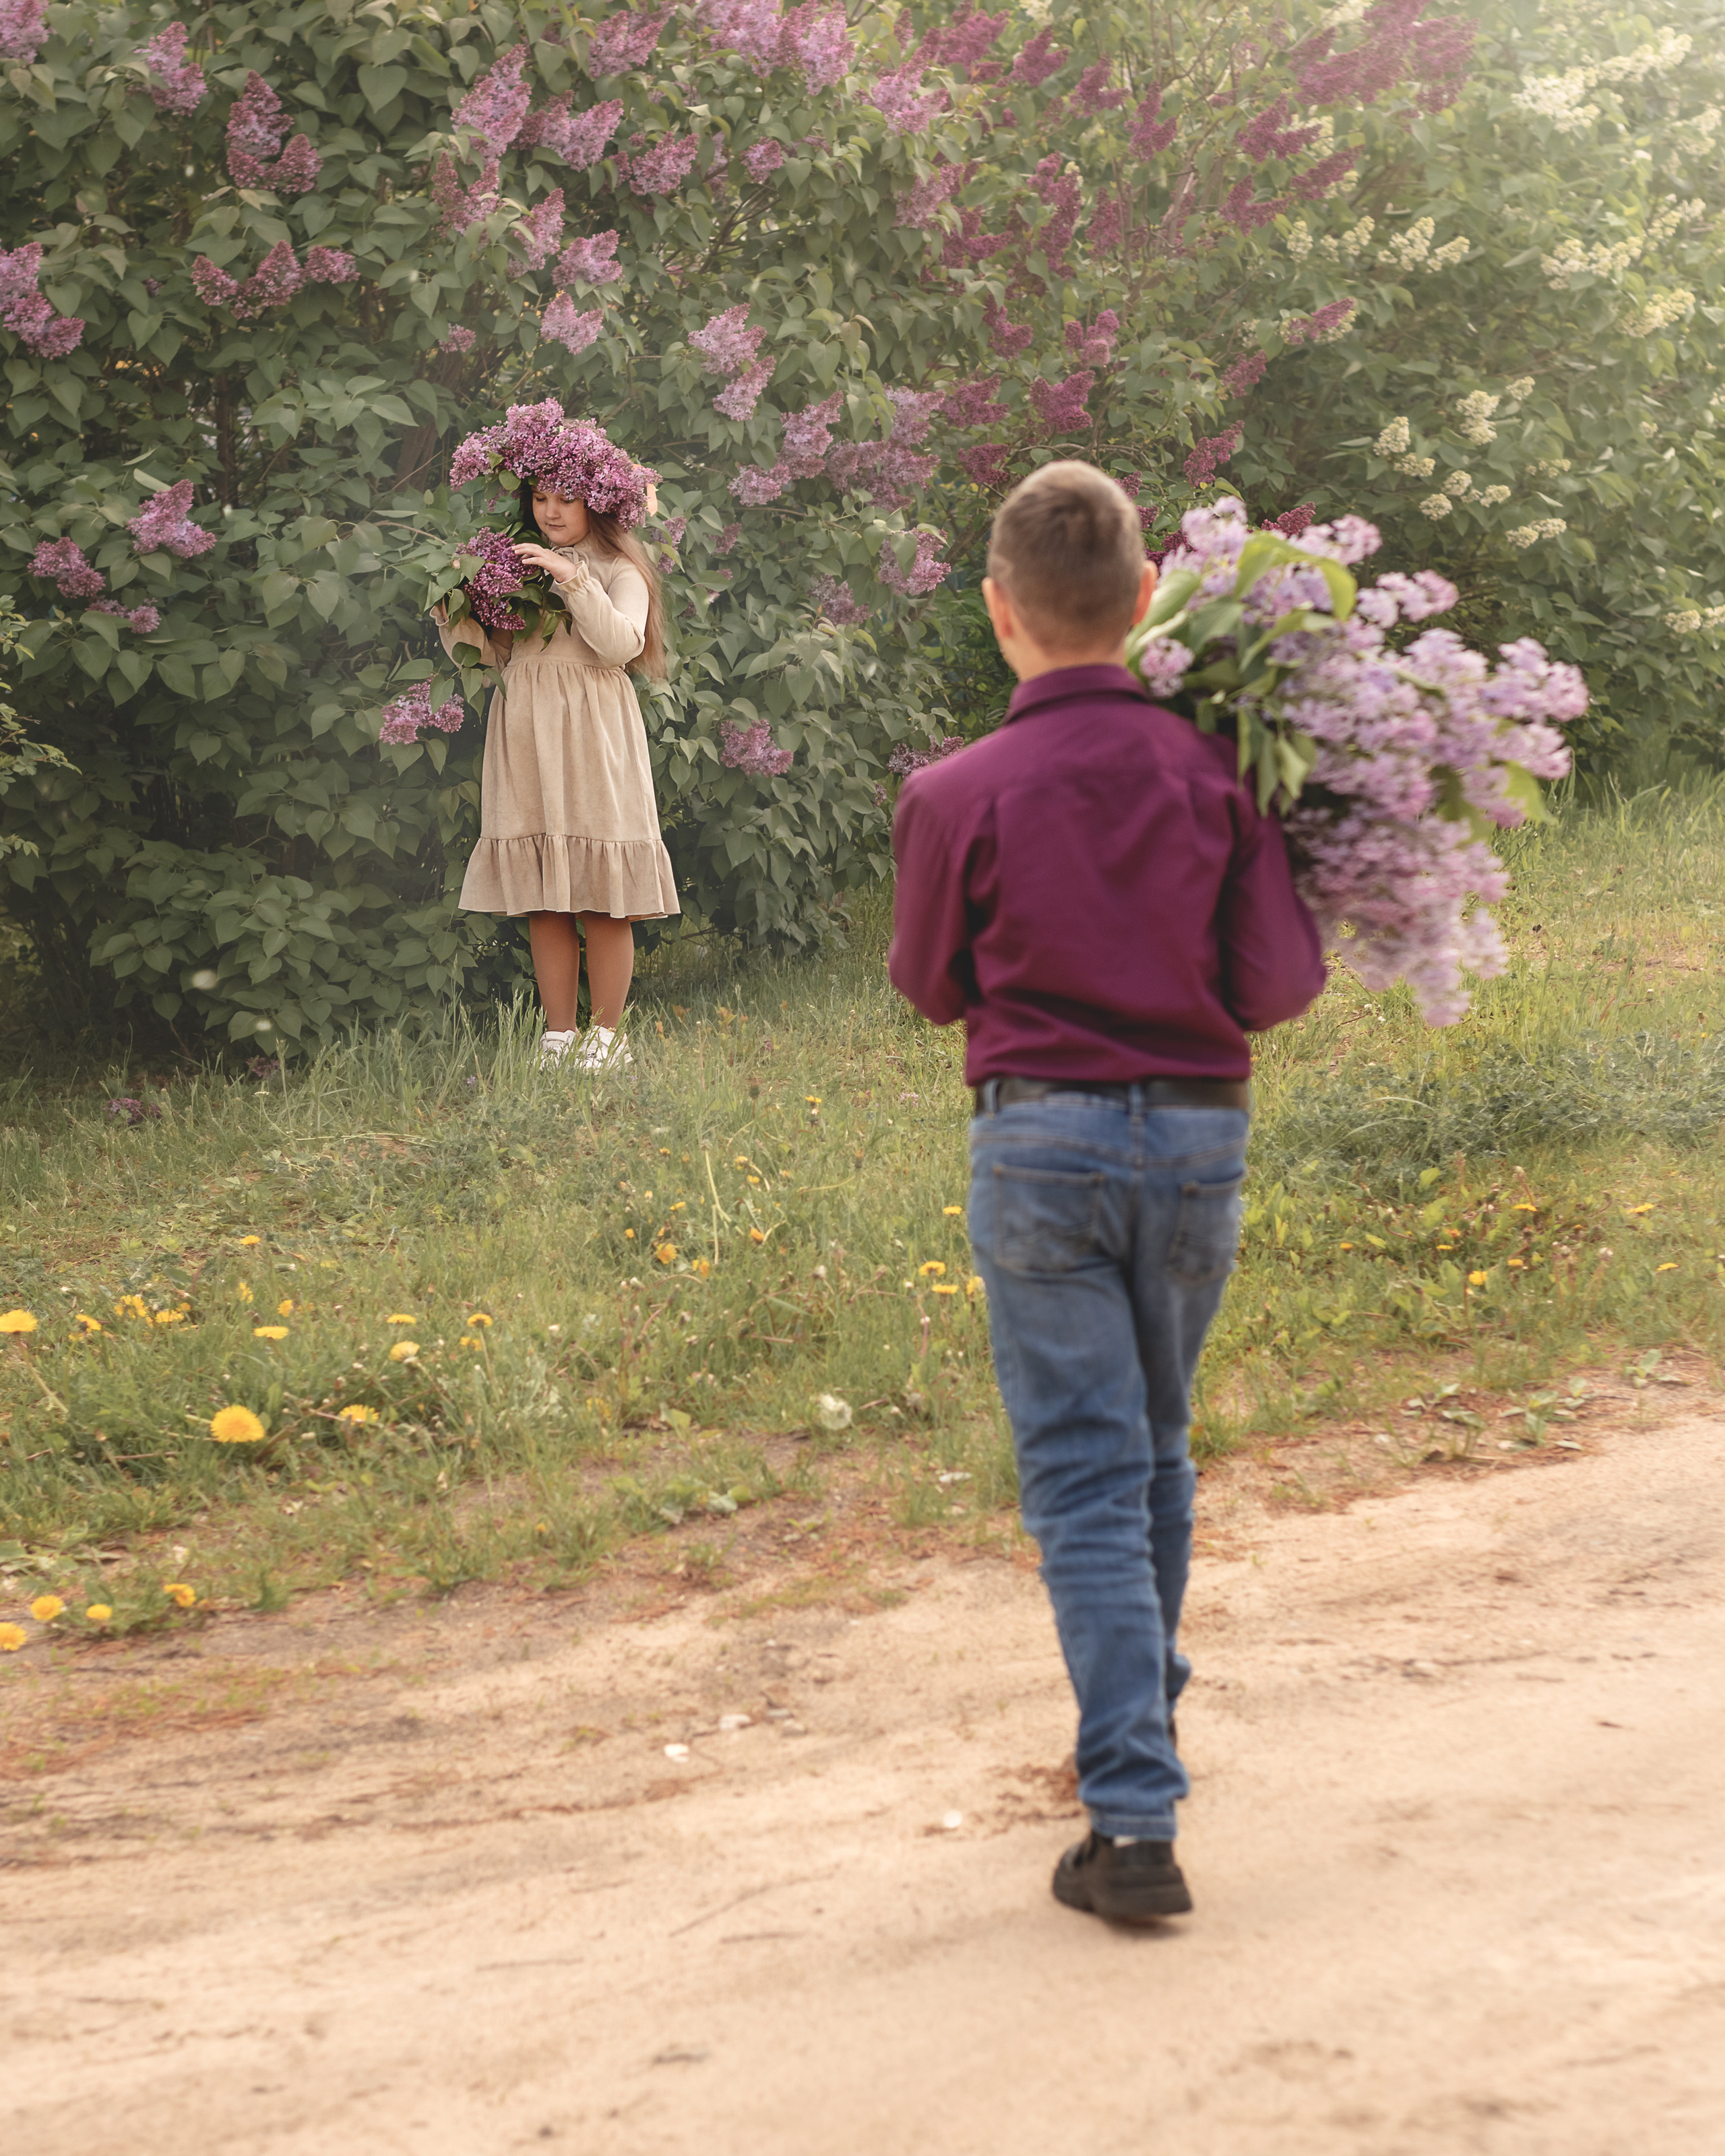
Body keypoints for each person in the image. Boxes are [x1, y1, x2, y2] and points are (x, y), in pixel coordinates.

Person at [888, 461, 1327, 1924]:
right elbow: (1273, 985)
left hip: (1040, 1143)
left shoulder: (954, 793)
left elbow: (927, 985)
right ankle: (1137, 1709)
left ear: (998, 610)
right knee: (1153, 1449)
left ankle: (1131, 1814)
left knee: (1083, 1472)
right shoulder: (1219, 775)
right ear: (1146, 599)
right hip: (1197, 1139)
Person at [437, 425, 679, 1071]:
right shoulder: (518, 565)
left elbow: (621, 644)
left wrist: (573, 580)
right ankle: (558, 1037)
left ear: (596, 503)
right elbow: (490, 655)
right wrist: (456, 601)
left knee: (602, 895)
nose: (549, 511)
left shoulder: (619, 571)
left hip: (595, 738)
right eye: (541, 497)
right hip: (528, 731)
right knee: (545, 896)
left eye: (566, 498)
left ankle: (606, 1038)